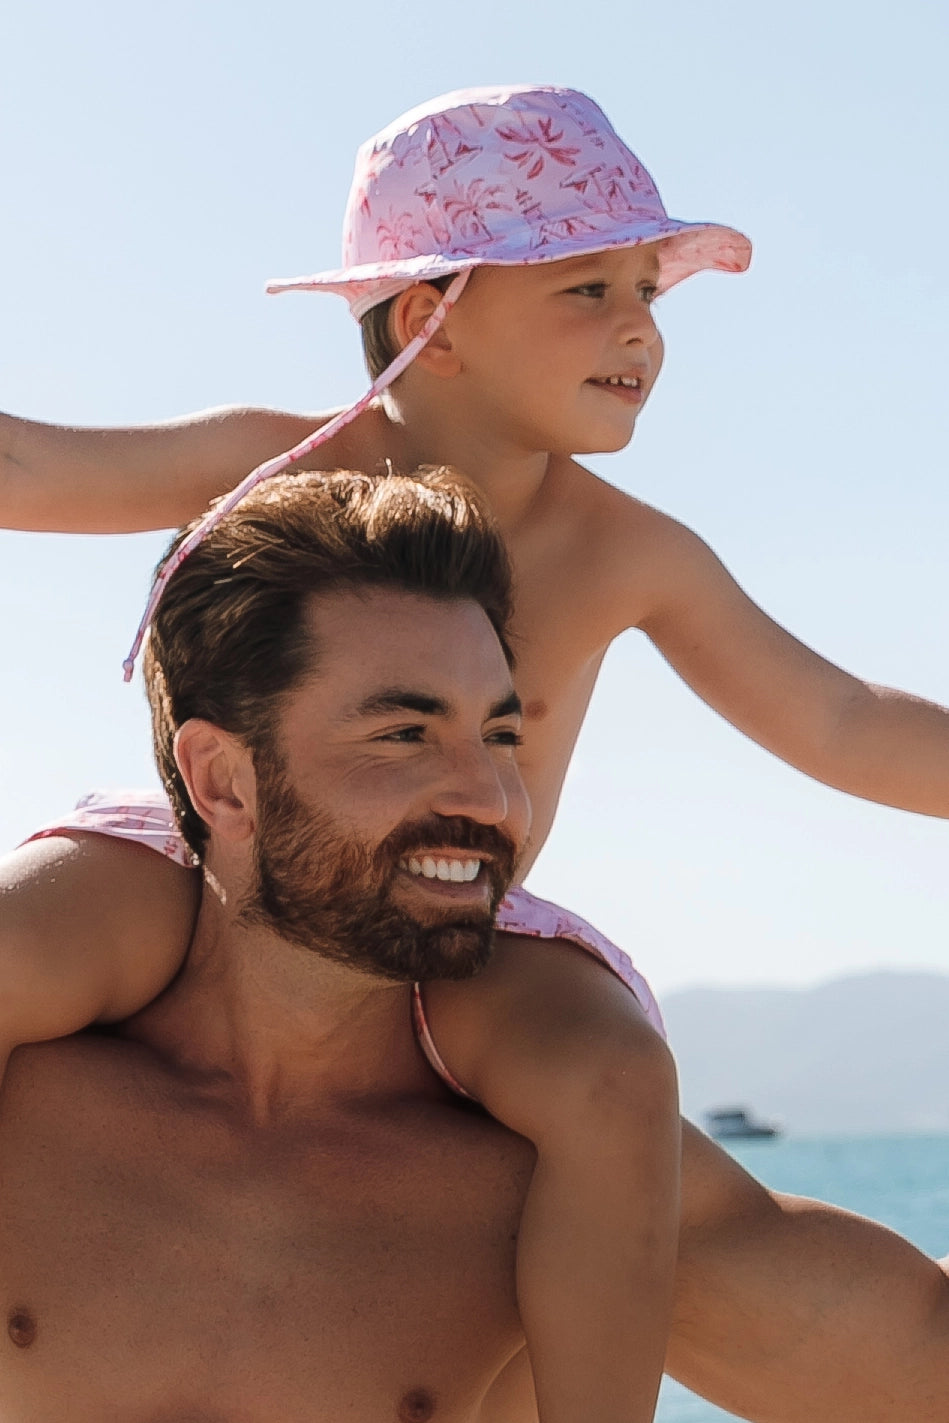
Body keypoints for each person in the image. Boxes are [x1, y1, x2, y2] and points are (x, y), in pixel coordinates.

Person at [4, 464, 949, 1423]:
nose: (492, 800)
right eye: (406, 734)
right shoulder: (30, 1105)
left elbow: (921, 1364)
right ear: (223, 783)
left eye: (499, 738)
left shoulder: (538, 1177)